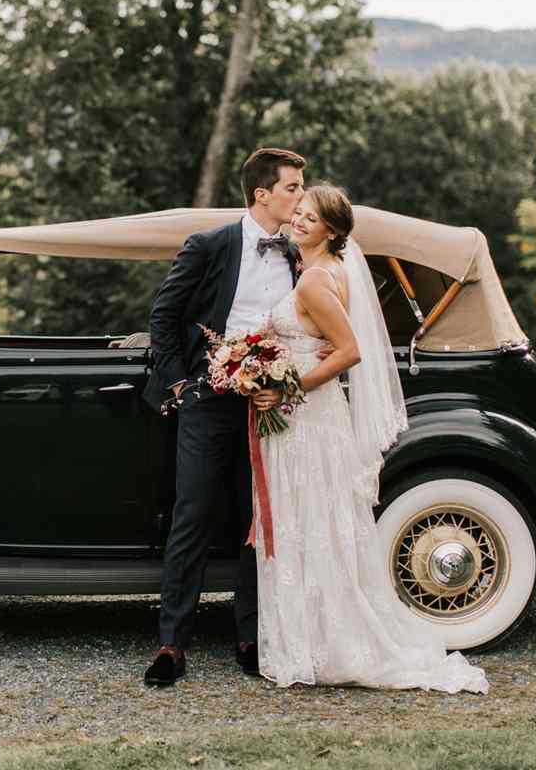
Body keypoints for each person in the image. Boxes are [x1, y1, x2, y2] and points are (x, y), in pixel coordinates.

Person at [248, 185, 488, 693]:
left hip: (304, 418)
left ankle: (319, 645)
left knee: (307, 523)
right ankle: (321, 636)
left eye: (312, 218)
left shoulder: (315, 280)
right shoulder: (326, 270)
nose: (300, 221)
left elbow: (349, 351)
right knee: (320, 523)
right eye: (300, 212)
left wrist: (284, 386)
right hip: (315, 417)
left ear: (332, 231)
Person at [141, 147, 307, 687]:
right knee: (192, 514)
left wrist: (280, 384)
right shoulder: (210, 245)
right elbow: (164, 316)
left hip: (270, 404)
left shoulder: (300, 254)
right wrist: (181, 386)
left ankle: (250, 635)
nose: (301, 197)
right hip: (208, 399)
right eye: (292, 188)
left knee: (257, 521)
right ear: (262, 194)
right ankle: (172, 644)